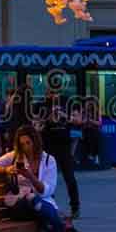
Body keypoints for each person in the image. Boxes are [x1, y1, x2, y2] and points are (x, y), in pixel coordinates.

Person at [40, 90, 81, 219]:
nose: (52, 95)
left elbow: (78, 121)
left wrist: (65, 116)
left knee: (69, 177)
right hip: (49, 145)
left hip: (63, 145)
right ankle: (50, 206)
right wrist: (47, 119)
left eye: (55, 92)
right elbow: (37, 124)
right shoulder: (43, 105)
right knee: (47, 178)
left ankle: (75, 207)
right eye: (50, 92)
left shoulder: (67, 102)